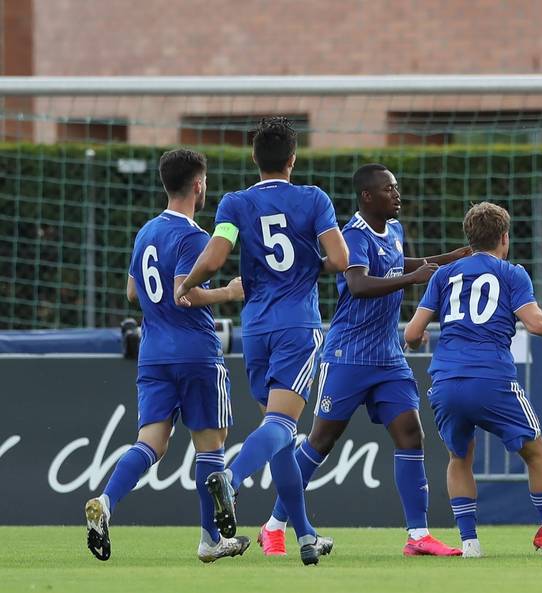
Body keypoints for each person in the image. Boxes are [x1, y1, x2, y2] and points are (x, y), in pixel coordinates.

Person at [256, 163, 469, 557]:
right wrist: (414, 279)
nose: (397, 194)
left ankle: (418, 536)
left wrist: (449, 258)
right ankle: (273, 526)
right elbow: (358, 284)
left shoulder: (395, 230)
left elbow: (398, 266)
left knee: (410, 433)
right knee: (321, 440)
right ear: (368, 196)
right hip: (348, 354)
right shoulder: (352, 235)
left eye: (397, 187)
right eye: (390, 189)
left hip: (387, 355)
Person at [175, 117, 349, 566]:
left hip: (255, 330)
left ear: (255, 159)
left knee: (280, 437)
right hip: (297, 327)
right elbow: (341, 258)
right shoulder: (314, 200)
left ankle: (305, 535)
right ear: (293, 159)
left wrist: (188, 284)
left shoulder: (235, 203)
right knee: (282, 428)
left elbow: (215, 257)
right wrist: (311, 259)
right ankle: (230, 481)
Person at [404, 201, 542, 558]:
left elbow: (413, 333)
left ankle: (470, 544)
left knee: (459, 457)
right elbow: (537, 324)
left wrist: (419, 338)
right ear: (504, 238)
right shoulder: (511, 273)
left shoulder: (444, 275)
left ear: (470, 238)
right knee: (536, 452)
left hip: (445, 380)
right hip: (491, 379)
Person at [84, 149, 248, 563]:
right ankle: (211, 539)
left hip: (153, 353)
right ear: (198, 185)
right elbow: (185, 291)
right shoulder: (194, 236)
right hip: (194, 351)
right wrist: (228, 292)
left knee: (151, 442)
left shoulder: (146, 232)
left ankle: (106, 502)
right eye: (205, 182)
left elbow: (132, 292)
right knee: (211, 444)